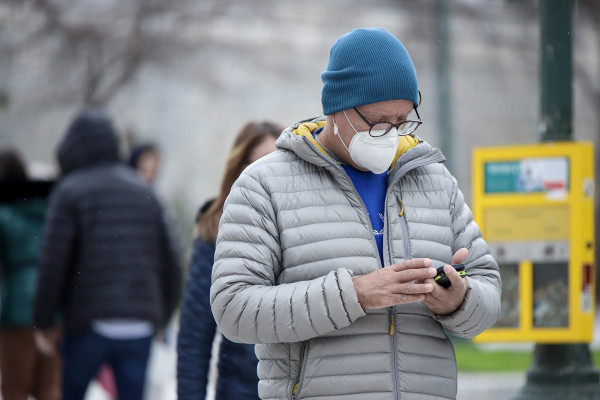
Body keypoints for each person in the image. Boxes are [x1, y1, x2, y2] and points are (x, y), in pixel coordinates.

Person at [210, 28, 501, 400]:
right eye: (379, 121)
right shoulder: (264, 184)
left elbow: (489, 292)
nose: (392, 133)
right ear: (337, 109)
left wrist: (460, 300)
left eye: (403, 121)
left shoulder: (434, 180)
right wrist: (355, 294)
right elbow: (233, 309)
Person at [32, 109, 182, 400]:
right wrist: (161, 318)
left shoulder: (70, 191)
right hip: (139, 326)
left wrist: (43, 320)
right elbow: (172, 263)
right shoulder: (145, 192)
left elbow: (53, 263)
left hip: (87, 324)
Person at [177, 120, 284, 400]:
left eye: (278, 161)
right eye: (259, 162)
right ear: (240, 168)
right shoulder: (216, 227)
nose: (268, 171)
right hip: (240, 388)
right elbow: (195, 332)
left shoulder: (303, 225)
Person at [0, 149, 60, 400]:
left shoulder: (4, 214)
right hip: (54, 309)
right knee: (49, 388)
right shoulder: (52, 208)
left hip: (15, 310)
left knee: (15, 387)